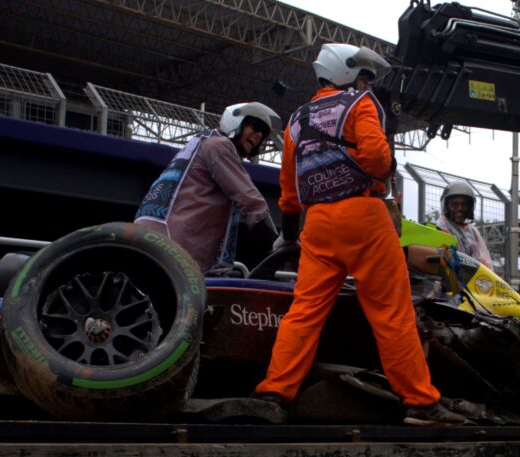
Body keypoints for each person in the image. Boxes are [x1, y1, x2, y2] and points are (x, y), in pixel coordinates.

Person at [254, 43, 465, 427]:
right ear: (347, 74)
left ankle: (274, 393)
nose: (367, 85)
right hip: (364, 215)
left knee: (304, 312)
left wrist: (289, 237)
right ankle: (420, 402)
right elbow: (378, 159)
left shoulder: (296, 120)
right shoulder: (358, 104)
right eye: (364, 77)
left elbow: (288, 194)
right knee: (391, 314)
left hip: (316, 224)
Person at [134, 102, 281, 274]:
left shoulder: (199, 144)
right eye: (254, 126)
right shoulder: (219, 146)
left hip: (151, 236)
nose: (257, 135)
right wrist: (277, 245)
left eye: (262, 133)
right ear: (236, 122)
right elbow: (249, 200)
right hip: (174, 243)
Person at [436, 181, 494, 268]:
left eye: (464, 204)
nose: (460, 208)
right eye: (455, 204)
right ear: (447, 206)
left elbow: (484, 261)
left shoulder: (472, 231)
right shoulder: (441, 226)